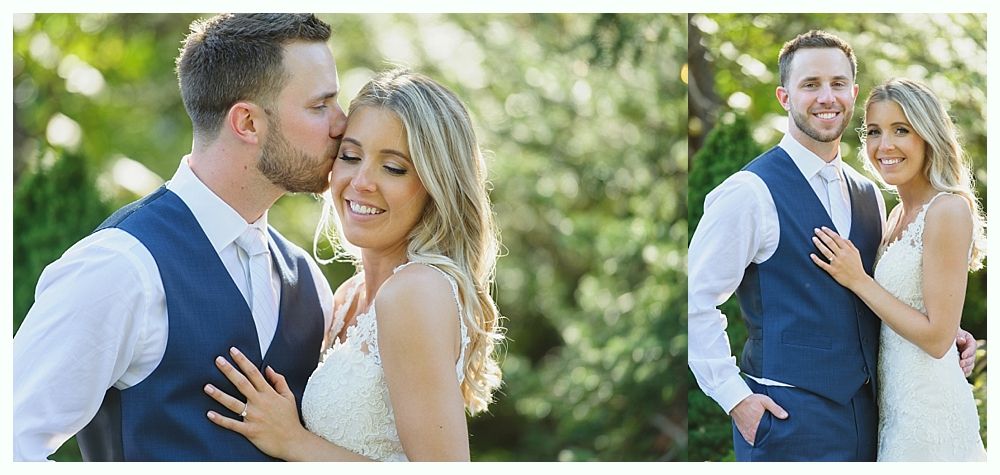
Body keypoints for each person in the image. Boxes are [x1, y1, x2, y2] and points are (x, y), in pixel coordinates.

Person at [13, 13, 346, 461]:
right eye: (320, 105)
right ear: (246, 123)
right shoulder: (120, 265)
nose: (342, 124)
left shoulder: (307, 279)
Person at [687, 30, 977, 461]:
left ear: (853, 94)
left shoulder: (870, 196)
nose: (827, 96)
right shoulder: (749, 193)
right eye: (811, 84)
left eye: (838, 84)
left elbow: (880, 296)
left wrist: (945, 329)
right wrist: (736, 399)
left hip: (872, 421)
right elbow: (694, 299)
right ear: (785, 97)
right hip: (786, 422)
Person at [200, 69, 504, 461]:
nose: (361, 181)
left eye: (393, 168)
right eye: (350, 156)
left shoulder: (415, 292)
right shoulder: (347, 297)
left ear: (436, 185)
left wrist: (293, 440)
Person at [810, 78, 986, 461]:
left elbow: (936, 340)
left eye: (900, 130)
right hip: (893, 410)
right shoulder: (893, 216)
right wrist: (952, 326)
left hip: (930, 414)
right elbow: (925, 311)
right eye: (874, 131)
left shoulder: (948, 210)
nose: (884, 145)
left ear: (928, 136)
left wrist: (858, 279)